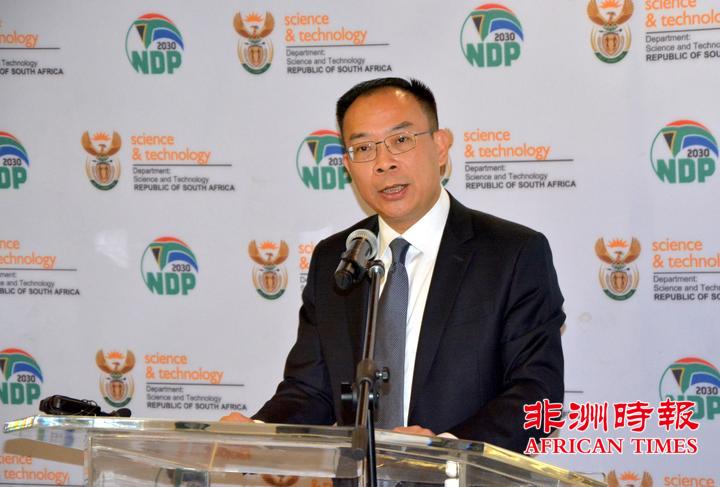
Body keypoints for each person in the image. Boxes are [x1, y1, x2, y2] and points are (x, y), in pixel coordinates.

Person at [223, 77, 565, 454]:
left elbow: (538, 395)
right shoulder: (338, 258)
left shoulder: (511, 254)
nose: (384, 163)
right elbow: (311, 390)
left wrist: (444, 449)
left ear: (440, 147)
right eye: (363, 148)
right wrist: (258, 430)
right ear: (348, 165)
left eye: (401, 140)